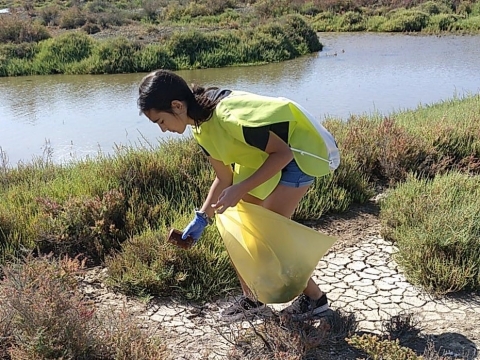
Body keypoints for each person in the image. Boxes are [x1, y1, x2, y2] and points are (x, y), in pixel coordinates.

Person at [137, 69, 340, 321]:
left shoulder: (228, 116)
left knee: (267, 237)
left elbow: (284, 154)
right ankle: (252, 300)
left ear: (177, 105)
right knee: (238, 226)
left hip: (299, 156)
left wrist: (240, 189)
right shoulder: (200, 126)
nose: (163, 130)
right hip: (265, 158)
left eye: (161, 121)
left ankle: (315, 299)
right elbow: (224, 178)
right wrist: (202, 218)